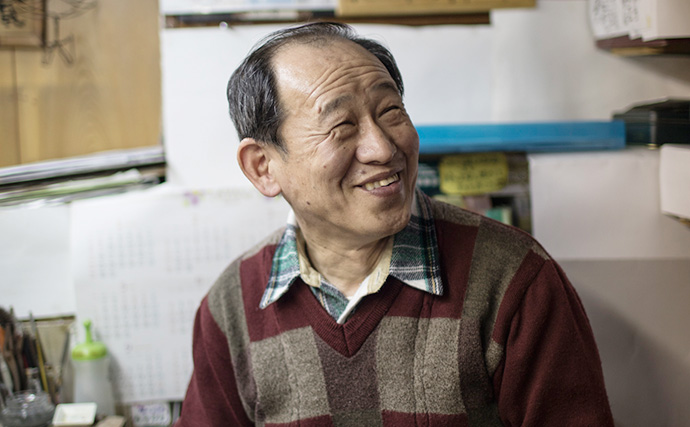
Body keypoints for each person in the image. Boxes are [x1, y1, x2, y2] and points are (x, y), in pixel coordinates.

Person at [176, 22, 614, 426]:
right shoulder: (232, 306)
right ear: (263, 167)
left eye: (390, 111)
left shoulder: (514, 279)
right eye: (341, 126)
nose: (383, 148)